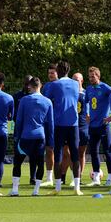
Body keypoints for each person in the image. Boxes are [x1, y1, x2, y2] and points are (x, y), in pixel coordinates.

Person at [43, 60, 82, 195]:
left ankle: (58, 188)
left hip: (59, 124)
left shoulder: (55, 84)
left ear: (58, 71)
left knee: (58, 155)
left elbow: (46, 100)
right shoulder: (75, 83)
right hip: (74, 124)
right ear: (69, 70)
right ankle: (77, 187)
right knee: (75, 155)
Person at [10, 77, 54, 197]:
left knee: (18, 162)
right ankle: (36, 190)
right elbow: (50, 123)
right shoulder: (48, 101)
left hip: (25, 136)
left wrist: (16, 136)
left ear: (31, 86)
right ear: (41, 86)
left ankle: (15, 190)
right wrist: (50, 141)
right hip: (40, 136)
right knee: (40, 162)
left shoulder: (24, 100)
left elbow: (19, 120)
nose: (27, 87)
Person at [84, 67, 111, 186]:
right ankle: (96, 178)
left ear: (98, 76)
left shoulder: (106, 88)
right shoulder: (89, 89)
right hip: (92, 125)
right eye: (89, 76)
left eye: (93, 76)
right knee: (93, 151)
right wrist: (87, 113)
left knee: (108, 151)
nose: (91, 78)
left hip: (104, 125)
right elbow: (86, 102)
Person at [41, 63, 59, 186]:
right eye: (49, 73)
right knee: (49, 149)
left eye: (53, 72)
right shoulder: (46, 86)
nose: (50, 75)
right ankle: (49, 178)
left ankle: (69, 178)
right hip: (48, 122)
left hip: (61, 122)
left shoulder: (62, 85)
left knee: (66, 151)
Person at [73, 72, 89, 184]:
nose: (75, 81)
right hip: (71, 126)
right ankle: (73, 174)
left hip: (83, 126)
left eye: (77, 79)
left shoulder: (86, 93)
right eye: (73, 79)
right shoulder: (69, 92)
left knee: (81, 152)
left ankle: (79, 176)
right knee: (69, 152)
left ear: (82, 81)